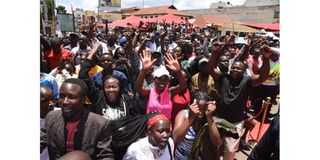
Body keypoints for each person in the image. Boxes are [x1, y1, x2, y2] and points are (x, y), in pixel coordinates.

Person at [207, 35, 273, 160]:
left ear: (244, 71)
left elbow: (262, 77)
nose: (235, 69)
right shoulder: (224, 77)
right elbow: (210, 68)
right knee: (213, 149)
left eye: (238, 68)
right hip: (218, 120)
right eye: (233, 67)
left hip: (235, 123)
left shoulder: (248, 81)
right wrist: (215, 53)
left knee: (230, 152)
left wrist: (266, 58)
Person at [41, 78, 114, 159]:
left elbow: (105, 156)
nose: (65, 101)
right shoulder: (51, 118)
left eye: (71, 97)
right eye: (62, 96)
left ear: (84, 100)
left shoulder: (99, 124)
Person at [79, 42, 138, 120]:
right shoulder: (96, 83)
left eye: (114, 86)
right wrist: (92, 53)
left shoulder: (121, 77)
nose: (111, 90)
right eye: (107, 87)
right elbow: (83, 77)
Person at [134, 49, 187, 120]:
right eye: (159, 79)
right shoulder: (150, 92)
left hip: (166, 129)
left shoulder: (170, 92)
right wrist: (144, 70)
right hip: (151, 128)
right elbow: (138, 88)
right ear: (154, 80)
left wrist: (178, 71)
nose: (162, 82)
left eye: (165, 79)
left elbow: (183, 86)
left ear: (168, 81)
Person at [173, 91, 221, 160]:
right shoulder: (183, 115)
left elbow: (217, 142)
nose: (200, 113)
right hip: (182, 157)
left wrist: (209, 117)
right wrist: (191, 117)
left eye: (204, 109)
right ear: (190, 105)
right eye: (198, 108)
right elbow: (176, 138)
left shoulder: (210, 118)